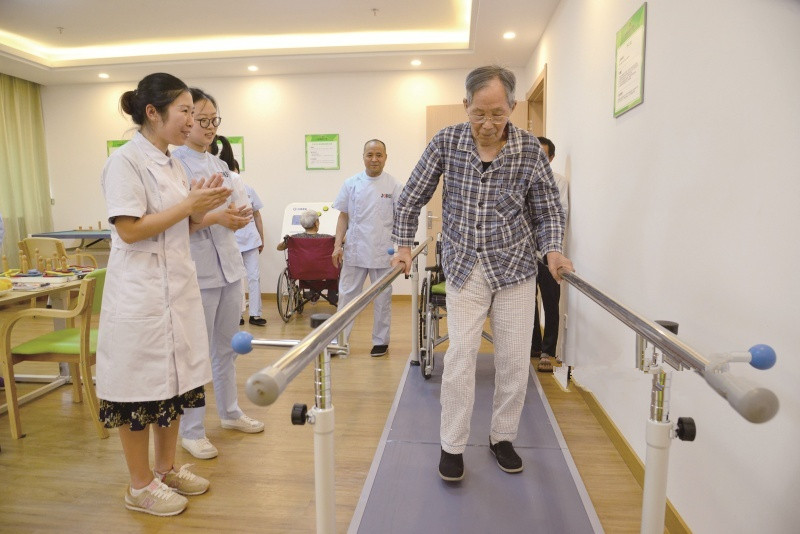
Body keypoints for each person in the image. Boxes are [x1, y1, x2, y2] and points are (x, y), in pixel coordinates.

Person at [391, 65, 573, 482]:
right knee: (460, 358)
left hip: (515, 269)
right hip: (464, 267)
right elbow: (410, 198)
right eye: (478, 113)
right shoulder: (446, 141)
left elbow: (548, 210)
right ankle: (452, 445)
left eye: (497, 114)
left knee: (512, 361)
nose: (488, 124)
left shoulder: (528, 150)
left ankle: (502, 437)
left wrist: (554, 252)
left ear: (512, 107)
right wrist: (403, 246)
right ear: (465, 106)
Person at [97, 72, 232, 516]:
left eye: (194, 112)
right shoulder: (126, 162)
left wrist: (202, 210)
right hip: (140, 295)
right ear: (152, 113)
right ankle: (139, 485)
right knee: (139, 389)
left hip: (176, 289)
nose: (192, 121)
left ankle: (167, 467)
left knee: (174, 384)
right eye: (185, 112)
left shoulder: (173, 162)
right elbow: (130, 229)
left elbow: (179, 223)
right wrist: (187, 207)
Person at [173, 88, 265, 461]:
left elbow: (232, 208)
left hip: (228, 266)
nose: (210, 127)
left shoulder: (220, 165)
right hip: (196, 271)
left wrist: (236, 217)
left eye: (215, 121)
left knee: (227, 348)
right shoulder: (173, 164)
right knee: (195, 355)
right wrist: (216, 217)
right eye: (202, 120)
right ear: (185, 120)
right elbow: (176, 221)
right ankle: (191, 430)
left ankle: (229, 412)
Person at [332, 140, 402, 357]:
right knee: (346, 296)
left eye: (379, 155)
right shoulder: (351, 183)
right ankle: (340, 340)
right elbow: (343, 216)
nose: (374, 159)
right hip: (355, 248)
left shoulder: (394, 186)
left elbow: (401, 220)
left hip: (383, 252)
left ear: (385, 157)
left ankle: (381, 341)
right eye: (370, 154)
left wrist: (401, 250)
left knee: (383, 298)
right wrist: (337, 245)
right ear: (363, 156)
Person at [531, 136, 569, 372]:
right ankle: (534, 346)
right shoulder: (522, 177)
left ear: (551, 158)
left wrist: (550, 246)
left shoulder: (559, 182)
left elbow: (560, 214)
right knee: (527, 301)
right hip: (525, 252)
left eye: (543, 155)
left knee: (550, 300)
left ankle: (548, 349)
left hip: (548, 253)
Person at [277, 209, 338, 305]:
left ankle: (313, 293)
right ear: (316, 223)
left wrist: (287, 240)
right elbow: (342, 240)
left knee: (309, 265)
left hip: (302, 272)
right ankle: (332, 293)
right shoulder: (328, 238)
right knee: (338, 263)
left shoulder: (294, 238)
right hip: (326, 272)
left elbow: (279, 248)